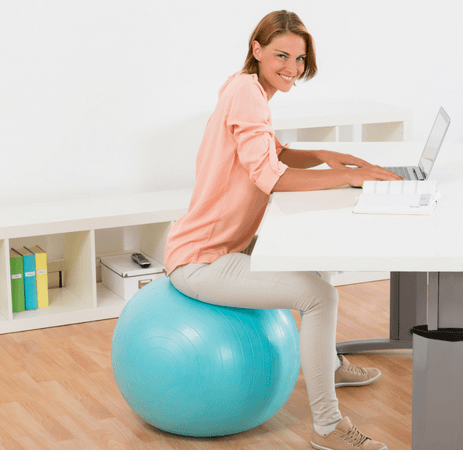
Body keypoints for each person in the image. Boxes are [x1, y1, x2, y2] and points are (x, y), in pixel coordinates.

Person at [164, 10, 402, 450]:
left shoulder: (246, 87)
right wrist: (351, 178)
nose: (292, 68)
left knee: (313, 250)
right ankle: (328, 426)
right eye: (281, 55)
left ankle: (327, 365)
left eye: (298, 58)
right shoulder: (247, 94)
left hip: (221, 246)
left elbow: (275, 153)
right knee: (319, 295)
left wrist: (328, 156)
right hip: (201, 260)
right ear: (256, 50)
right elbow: (268, 175)